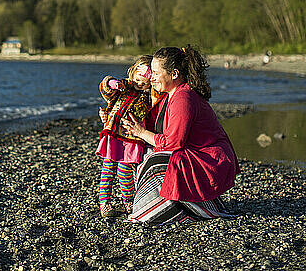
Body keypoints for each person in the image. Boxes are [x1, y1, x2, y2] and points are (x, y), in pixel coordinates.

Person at [122, 46, 240, 225]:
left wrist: (141, 133)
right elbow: (154, 126)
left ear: (174, 73)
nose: (150, 77)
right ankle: (175, 204)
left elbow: (173, 143)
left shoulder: (183, 98)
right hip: (200, 155)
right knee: (144, 153)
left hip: (211, 161)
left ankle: (174, 210)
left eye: (155, 72)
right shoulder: (171, 94)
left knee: (156, 162)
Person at [96, 55, 160, 218]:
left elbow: (156, 104)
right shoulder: (125, 86)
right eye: (138, 79)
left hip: (132, 139)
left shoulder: (147, 97)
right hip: (113, 135)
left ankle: (129, 201)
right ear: (133, 73)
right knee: (107, 170)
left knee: (125, 172)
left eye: (144, 82)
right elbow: (106, 88)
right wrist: (112, 84)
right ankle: (105, 203)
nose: (139, 84)